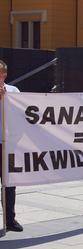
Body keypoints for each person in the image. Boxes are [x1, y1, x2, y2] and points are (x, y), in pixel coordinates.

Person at [0, 60, 23, 232]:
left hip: (8, 145)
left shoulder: (14, 91)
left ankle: (10, 220)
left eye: (1, 73)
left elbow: (22, 113)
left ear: (5, 74)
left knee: (9, 183)